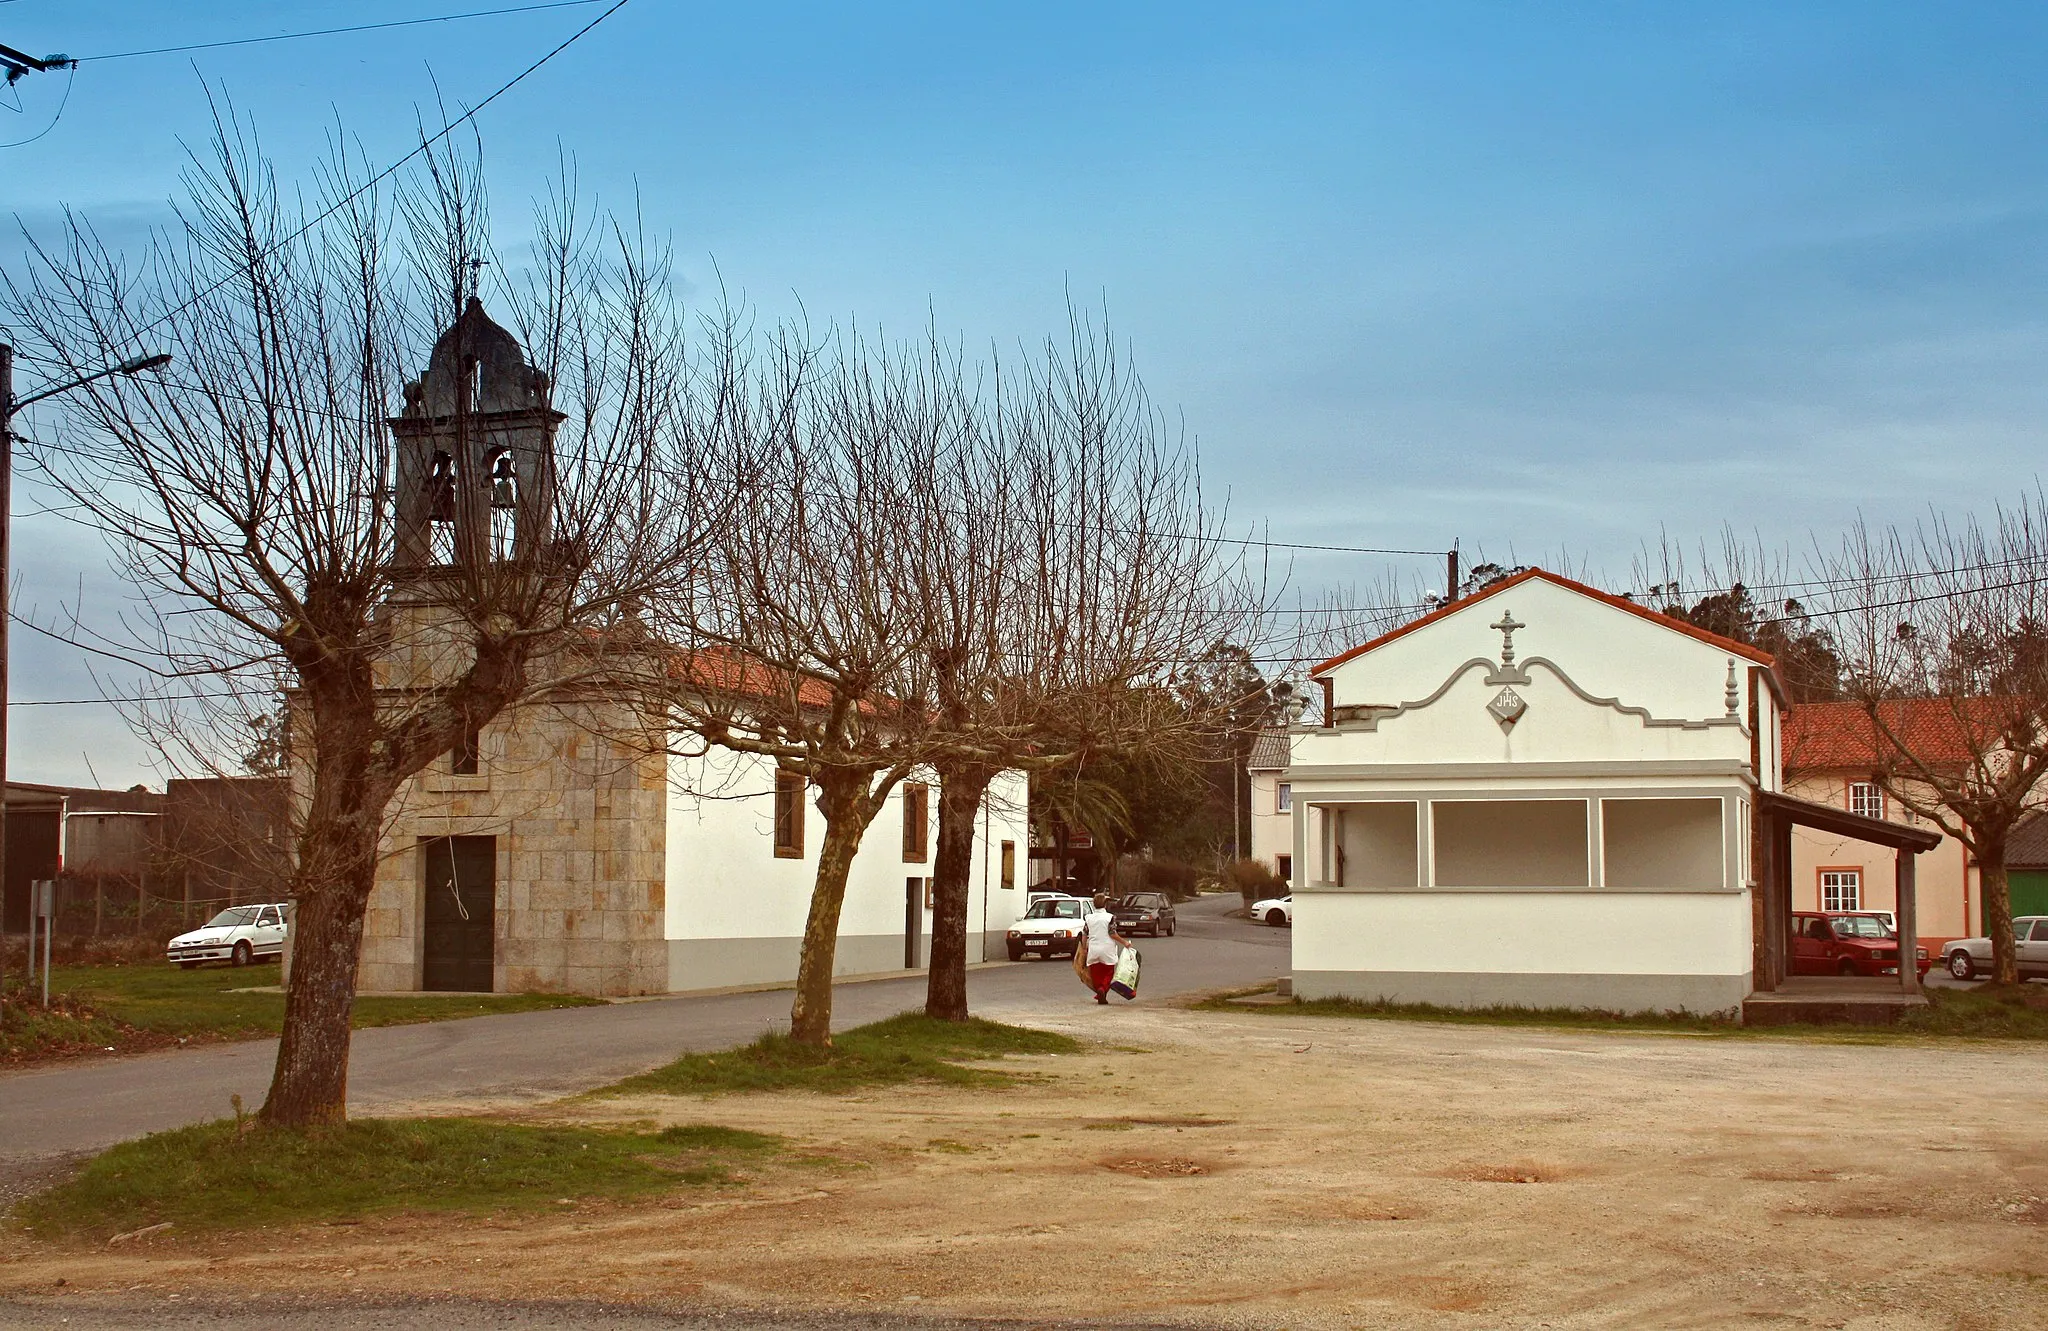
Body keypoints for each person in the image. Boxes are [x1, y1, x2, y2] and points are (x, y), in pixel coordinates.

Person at [1081, 893, 1127, 1005]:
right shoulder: (1110, 917)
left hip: (1093, 948)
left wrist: (1084, 948)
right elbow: (1112, 933)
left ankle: (1099, 990)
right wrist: (1124, 942)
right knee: (1108, 972)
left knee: (1096, 974)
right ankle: (1102, 989)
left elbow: (1084, 934)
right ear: (1105, 904)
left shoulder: (1089, 918)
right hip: (1107, 948)